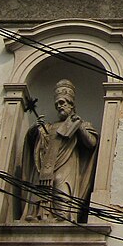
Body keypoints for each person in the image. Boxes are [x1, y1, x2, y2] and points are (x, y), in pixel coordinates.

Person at [20, 80, 99, 222]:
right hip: (46, 165)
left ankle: (63, 216)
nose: (59, 106)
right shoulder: (50, 126)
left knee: (60, 186)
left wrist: (79, 126)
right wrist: (34, 130)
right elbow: (34, 145)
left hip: (67, 163)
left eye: (62, 103)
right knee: (41, 187)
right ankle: (40, 215)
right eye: (57, 104)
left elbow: (91, 143)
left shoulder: (81, 123)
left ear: (71, 104)